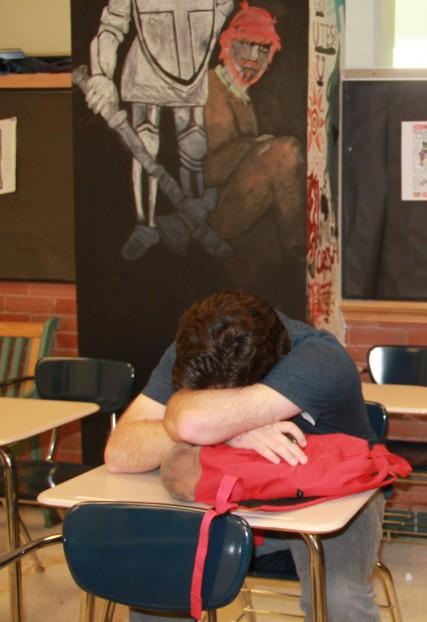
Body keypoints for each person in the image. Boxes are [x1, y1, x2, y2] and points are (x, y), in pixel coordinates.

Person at [105, 290, 383, 622]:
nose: (213, 404)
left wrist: (206, 423)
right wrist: (236, 430)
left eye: (225, 400)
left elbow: (192, 421)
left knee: (338, 597)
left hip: (336, 496)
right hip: (230, 491)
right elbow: (119, 453)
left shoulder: (318, 359)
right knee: (161, 575)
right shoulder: (199, 347)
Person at [85, 0, 235, 259]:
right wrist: (101, 74)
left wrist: (204, 42)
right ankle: (145, 226)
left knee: (194, 143)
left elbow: (221, 9)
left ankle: (192, 223)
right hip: (145, 70)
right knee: (144, 145)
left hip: (192, 70)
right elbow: (111, 25)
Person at [202, 2, 306, 305]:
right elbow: (209, 170)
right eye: (245, 46)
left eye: (263, 50)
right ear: (227, 45)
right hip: (212, 214)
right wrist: (259, 145)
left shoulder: (240, 94)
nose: (253, 58)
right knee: (285, 153)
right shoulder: (213, 87)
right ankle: (302, 252)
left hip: (238, 218)